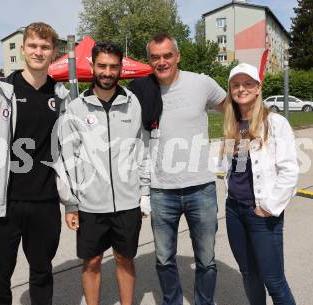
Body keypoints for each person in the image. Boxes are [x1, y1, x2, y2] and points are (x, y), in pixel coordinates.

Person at [0, 22, 72, 305]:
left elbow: (68, 154)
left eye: (45, 47)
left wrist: (71, 201)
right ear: (24, 49)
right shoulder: (0, 92)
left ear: (53, 52)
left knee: (41, 275)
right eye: (33, 46)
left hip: (45, 203)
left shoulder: (61, 96)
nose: (39, 52)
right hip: (4, 204)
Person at [129, 33, 227, 305]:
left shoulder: (201, 83)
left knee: (206, 259)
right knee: (163, 259)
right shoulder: (141, 90)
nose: (162, 62)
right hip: (161, 191)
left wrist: (241, 140)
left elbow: (231, 108)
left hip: (201, 188)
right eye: (155, 57)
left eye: (167, 55)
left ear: (177, 56)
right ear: (149, 60)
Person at [58, 41, 150, 305]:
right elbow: (68, 158)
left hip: (128, 201)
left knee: (125, 258)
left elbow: (142, 151)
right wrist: (71, 203)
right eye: (102, 66)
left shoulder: (133, 103)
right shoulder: (76, 107)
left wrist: (145, 192)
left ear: (120, 67)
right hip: (90, 204)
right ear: (92, 66)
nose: (107, 72)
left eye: (113, 66)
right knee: (92, 261)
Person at [220, 62, 299, 305]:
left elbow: (289, 171)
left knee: (274, 281)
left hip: (262, 213)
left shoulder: (275, 123)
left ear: (257, 88)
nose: (241, 89)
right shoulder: (233, 124)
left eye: (247, 84)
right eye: (236, 85)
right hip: (234, 210)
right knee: (249, 274)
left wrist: (268, 207)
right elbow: (236, 168)